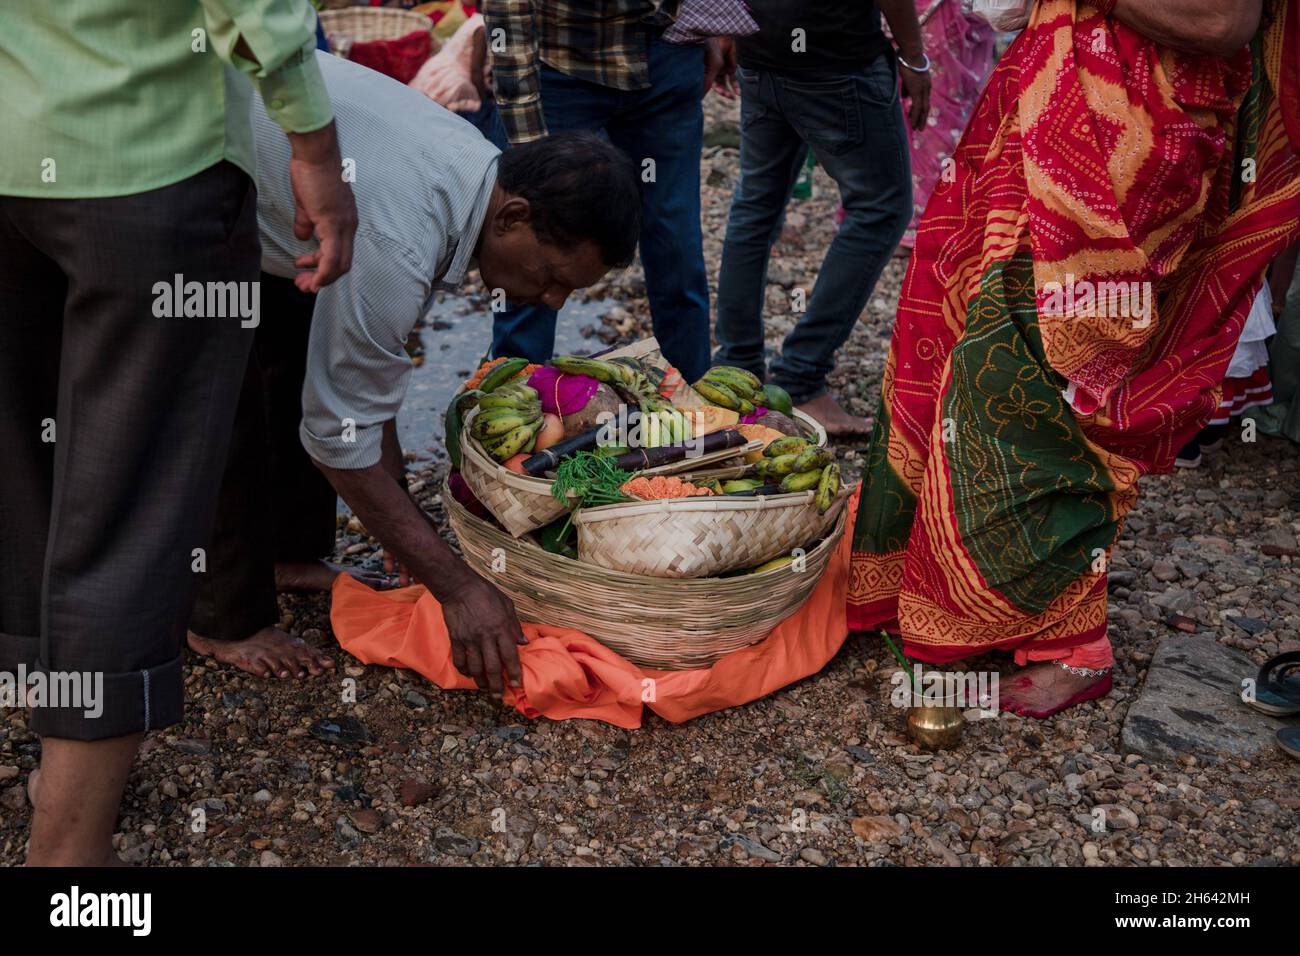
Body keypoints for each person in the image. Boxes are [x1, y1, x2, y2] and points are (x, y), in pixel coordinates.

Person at [848, 0, 1299, 716]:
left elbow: (1221, 21)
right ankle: (969, 591)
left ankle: (1072, 648)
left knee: (1047, 383)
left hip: (1127, 141)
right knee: (975, 353)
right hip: (1049, 106)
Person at [0, 1, 357, 866]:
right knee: (130, 509)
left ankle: (55, 767)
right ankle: (68, 865)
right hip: (148, 166)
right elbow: (257, 11)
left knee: (22, 476)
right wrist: (315, 150)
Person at [198, 52, 642, 692]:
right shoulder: (399, 243)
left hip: (274, 185)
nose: (551, 302)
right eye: (551, 278)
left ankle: (285, 555)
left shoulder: (470, 170)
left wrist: (404, 526)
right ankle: (218, 616)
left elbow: (367, 377)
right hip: (175, 155)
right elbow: (339, 441)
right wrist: (457, 587)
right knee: (223, 392)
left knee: (297, 355)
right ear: (514, 217)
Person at [711, 0, 929, 436]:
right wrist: (912, 54)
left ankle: (735, 370)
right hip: (833, 57)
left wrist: (725, 29)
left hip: (762, 45)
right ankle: (800, 377)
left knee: (756, 204)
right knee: (881, 209)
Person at [482, 0, 721, 382]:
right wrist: (527, 149)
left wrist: (703, 23)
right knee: (532, 243)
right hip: (560, 64)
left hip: (664, 58)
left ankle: (692, 410)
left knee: (677, 251)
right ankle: (515, 408)